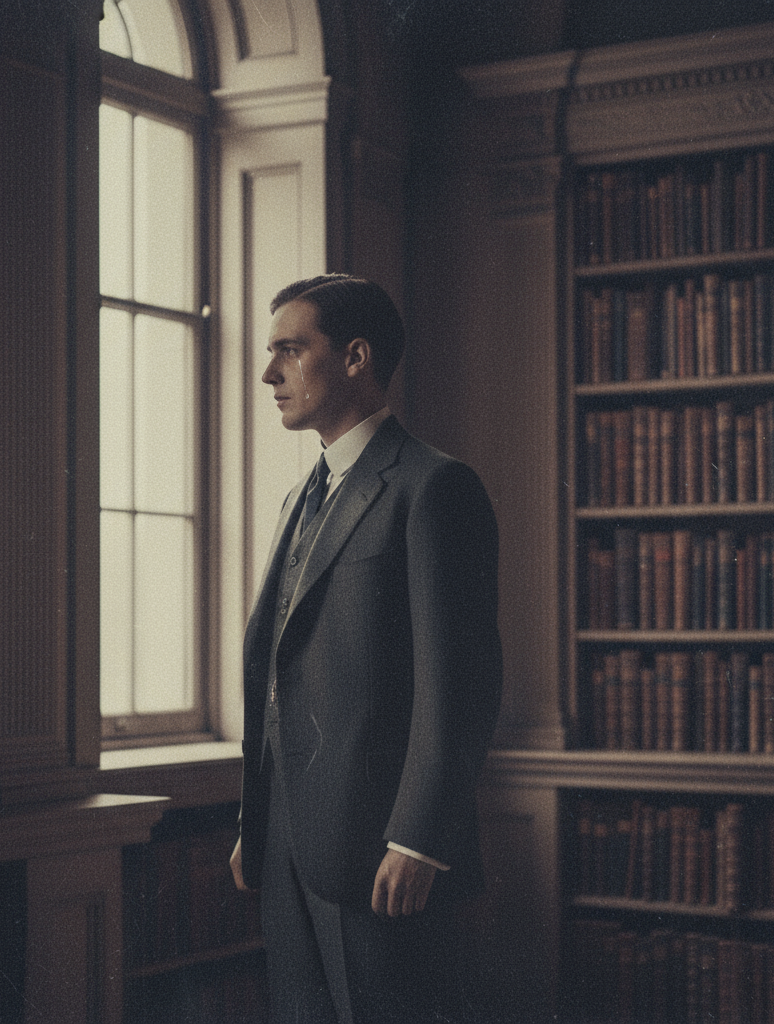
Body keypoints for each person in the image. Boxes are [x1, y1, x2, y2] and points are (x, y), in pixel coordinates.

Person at [229, 274, 503, 1024]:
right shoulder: (299, 499)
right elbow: (281, 672)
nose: (268, 373)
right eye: (270, 352)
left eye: (290, 350)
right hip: (287, 849)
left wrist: (419, 839)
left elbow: (463, 685)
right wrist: (257, 824)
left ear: (355, 357)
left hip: (382, 853)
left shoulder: (434, 487)